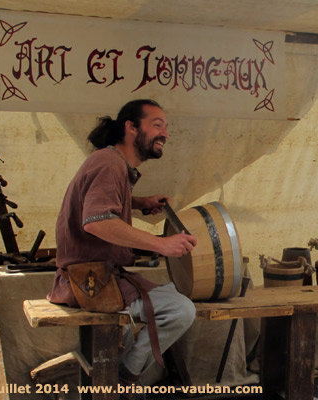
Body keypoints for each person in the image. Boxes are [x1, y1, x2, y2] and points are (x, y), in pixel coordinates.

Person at [46, 99, 198, 392]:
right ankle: (125, 375)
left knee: (177, 295)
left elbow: (99, 206)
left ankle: (120, 373)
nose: (165, 133)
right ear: (131, 127)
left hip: (101, 276)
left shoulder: (112, 162)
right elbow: (96, 222)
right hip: (90, 282)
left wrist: (139, 203)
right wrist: (161, 244)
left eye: (166, 127)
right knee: (182, 309)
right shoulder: (109, 164)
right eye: (157, 125)